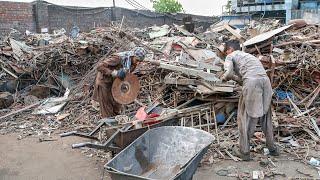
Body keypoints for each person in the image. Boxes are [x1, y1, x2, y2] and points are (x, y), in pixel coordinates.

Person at [218, 40, 279, 161]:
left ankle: (244, 151)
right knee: (266, 116)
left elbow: (229, 72)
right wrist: (233, 77)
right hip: (265, 82)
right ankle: (272, 149)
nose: (225, 54)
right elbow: (244, 79)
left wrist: (223, 78)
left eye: (225, 51)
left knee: (244, 117)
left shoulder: (231, 56)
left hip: (252, 83)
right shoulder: (248, 57)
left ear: (230, 49)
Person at [93, 47, 146, 118]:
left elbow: (127, 75)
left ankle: (117, 120)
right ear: (132, 55)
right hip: (104, 82)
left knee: (117, 104)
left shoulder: (133, 63)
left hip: (115, 83)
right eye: (137, 60)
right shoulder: (118, 58)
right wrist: (115, 73)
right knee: (107, 106)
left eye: (140, 61)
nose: (138, 63)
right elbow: (99, 67)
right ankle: (109, 125)